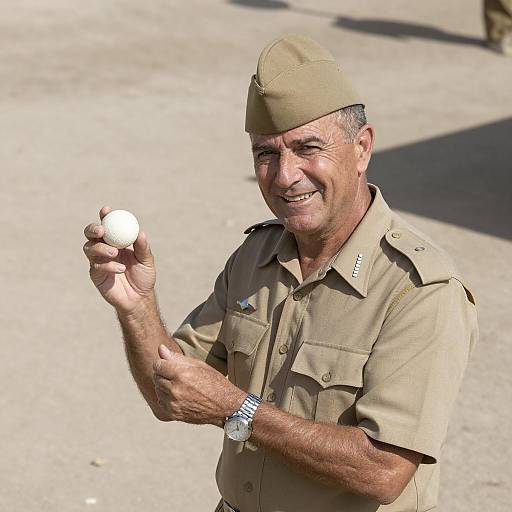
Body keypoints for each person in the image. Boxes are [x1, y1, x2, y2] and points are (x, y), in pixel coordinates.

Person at [83, 35, 478, 512]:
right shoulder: (256, 257)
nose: (285, 175)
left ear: (362, 148)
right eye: (266, 153)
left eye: (308, 148)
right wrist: (136, 304)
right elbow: (169, 395)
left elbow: (384, 470)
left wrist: (236, 408)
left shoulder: (417, 289)